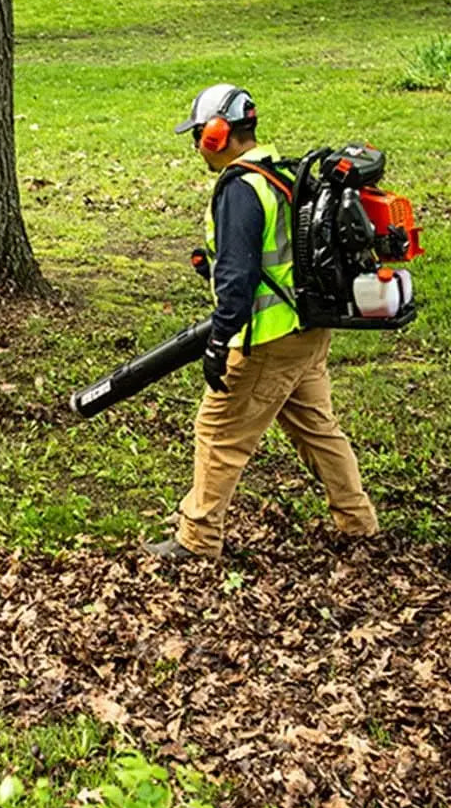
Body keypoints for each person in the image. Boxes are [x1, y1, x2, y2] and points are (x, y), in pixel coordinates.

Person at [147, 83, 379, 559]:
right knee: (317, 428)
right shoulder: (282, 172)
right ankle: (358, 522)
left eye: (198, 134)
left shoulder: (240, 188)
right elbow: (276, 252)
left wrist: (219, 342)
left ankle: (197, 539)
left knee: (218, 434)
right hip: (308, 329)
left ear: (217, 134)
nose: (196, 145)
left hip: (268, 339)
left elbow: (240, 276)